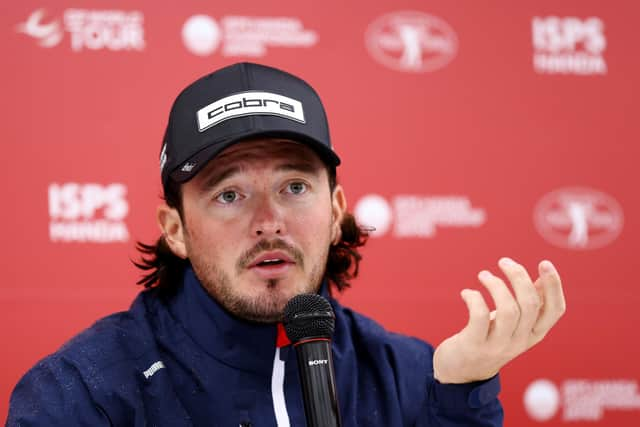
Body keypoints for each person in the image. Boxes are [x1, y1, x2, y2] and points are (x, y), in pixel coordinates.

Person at [6, 62, 566, 426]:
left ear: (335, 211)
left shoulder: (414, 377)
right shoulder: (82, 394)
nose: (268, 221)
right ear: (174, 228)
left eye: (294, 187)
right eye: (229, 194)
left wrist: (458, 395)